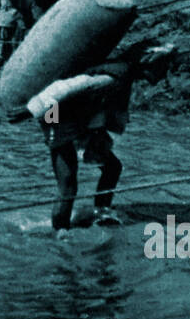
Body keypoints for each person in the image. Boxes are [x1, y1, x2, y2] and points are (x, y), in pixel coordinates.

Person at [29, 40, 177, 231]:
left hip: (77, 122)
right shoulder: (114, 77)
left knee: (112, 168)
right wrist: (43, 119)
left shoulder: (123, 74)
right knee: (68, 184)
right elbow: (59, 92)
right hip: (57, 119)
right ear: (147, 62)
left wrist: (94, 132)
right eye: (162, 67)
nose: (164, 74)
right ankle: (60, 233)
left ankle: (101, 212)